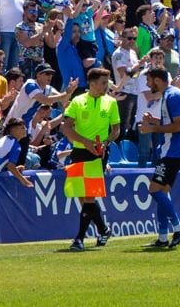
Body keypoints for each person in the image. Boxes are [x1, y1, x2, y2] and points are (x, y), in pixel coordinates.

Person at [61, 67, 120, 251]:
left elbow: (116, 130)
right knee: (82, 196)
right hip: (79, 152)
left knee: (89, 196)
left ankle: (79, 238)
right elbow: (66, 128)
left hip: (98, 154)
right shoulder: (78, 101)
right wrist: (85, 142)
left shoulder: (111, 103)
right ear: (92, 83)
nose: (106, 86)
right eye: (103, 83)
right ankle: (103, 229)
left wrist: (106, 143)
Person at [137, 67, 180, 249]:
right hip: (172, 151)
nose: (147, 84)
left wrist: (152, 129)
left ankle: (178, 227)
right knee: (162, 192)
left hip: (173, 152)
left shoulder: (172, 96)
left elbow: (178, 126)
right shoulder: (170, 95)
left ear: (157, 80)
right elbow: (171, 123)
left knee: (153, 189)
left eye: (149, 80)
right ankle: (162, 237)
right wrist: (153, 121)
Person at [0, 117, 34, 188]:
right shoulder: (15, 145)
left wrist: (16, 169)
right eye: (22, 128)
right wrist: (23, 180)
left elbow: (0, 162)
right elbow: (11, 166)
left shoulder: (4, 138)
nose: (26, 130)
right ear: (13, 129)